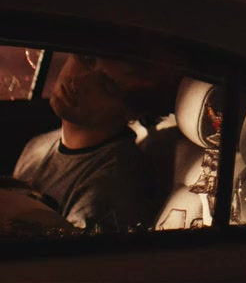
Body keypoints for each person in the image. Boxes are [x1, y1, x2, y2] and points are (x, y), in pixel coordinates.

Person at [13, 53, 176, 232]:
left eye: (107, 86)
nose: (79, 81)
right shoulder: (39, 145)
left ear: (131, 111)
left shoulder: (111, 185)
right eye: (87, 60)